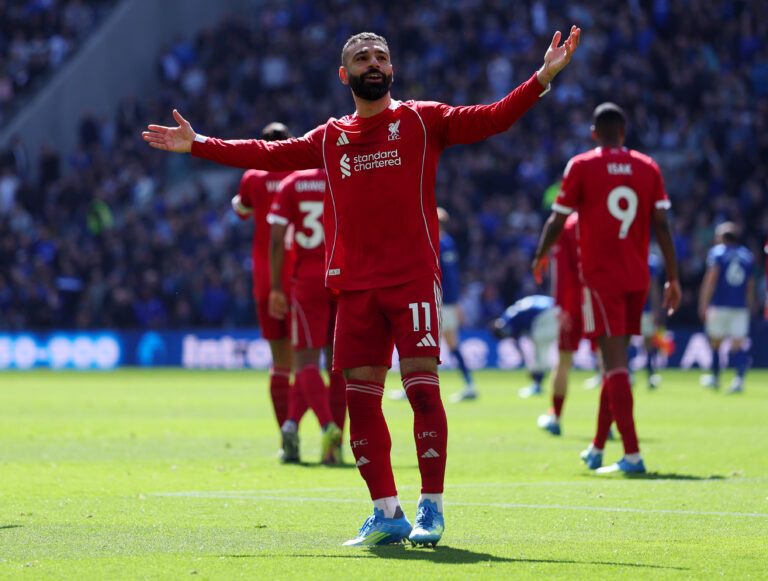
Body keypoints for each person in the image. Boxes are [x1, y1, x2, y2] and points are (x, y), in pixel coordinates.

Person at [144, 26, 580, 547]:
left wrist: (541, 78)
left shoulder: (422, 120)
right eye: (361, 57)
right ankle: (386, 511)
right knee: (361, 402)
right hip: (353, 288)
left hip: (413, 278)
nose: (372, 62)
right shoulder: (330, 137)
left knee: (421, 391)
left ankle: (431, 508)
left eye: (380, 56)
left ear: (391, 70)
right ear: (344, 74)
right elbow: (265, 153)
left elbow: (491, 118)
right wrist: (199, 145)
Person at [532, 102, 681, 475]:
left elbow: (558, 218)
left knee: (613, 362)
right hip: (637, 278)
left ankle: (631, 455)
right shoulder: (648, 166)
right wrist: (674, 278)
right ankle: (598, 446)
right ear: (624, 133)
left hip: (601, 279)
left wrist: (540, 254)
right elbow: (663, 226)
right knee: (614, 360)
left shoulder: (582, 165)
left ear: (594, 133)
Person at [230, 122, 307, 462]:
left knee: (280, 365)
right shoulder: (303, 175)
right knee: (312, 362)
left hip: (266, 280)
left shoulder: (253, 177)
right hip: (304, 278)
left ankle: (285, 436)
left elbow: (242, 209)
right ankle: (322, 429)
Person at [267, 168, 347, 464]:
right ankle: (331, 449)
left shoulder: (293, 183)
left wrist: (276, 287)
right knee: (339, 365)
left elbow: (276, 239)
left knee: (305, 363)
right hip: (343, 278)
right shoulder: (346, 175)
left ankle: (328, 427)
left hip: (308, 279)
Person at [533, 213, 581, 435]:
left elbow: (560, 270)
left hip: (572, 302)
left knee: (563, 361)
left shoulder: (568, 225)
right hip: (602, 298)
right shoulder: (604, 217)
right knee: (607, 363)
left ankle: (556, 417)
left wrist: (560, 305)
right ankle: (608, 423)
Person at [698, 221, 754, 393]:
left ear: (723, 237)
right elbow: (751, 285)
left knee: (715, 342)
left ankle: (715, 377)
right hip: (740, 306)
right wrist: (750, 305)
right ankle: (739, 380)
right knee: (737, 344)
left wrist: (703, 303)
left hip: (720, 305)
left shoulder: (717, 253)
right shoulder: (747, 255)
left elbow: (711, 280)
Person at [492, 295, 560, 397]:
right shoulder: (511, 312)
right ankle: (537, 383)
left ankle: (537, 385)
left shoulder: (507, 320)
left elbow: (516, 340)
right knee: (541, 351)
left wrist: (525, 362)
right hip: (555, 308)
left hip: (545, 314)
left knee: (540, 352)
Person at [639, 252, 663, 389]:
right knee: (647, 341)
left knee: (646, 341)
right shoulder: (650, 261)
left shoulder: (650, 261)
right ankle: (650, 374)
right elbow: (654, 287)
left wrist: (655, 308)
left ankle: (649, 373)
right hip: (642, 308)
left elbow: (653, 287)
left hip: (641, 308)